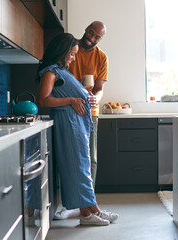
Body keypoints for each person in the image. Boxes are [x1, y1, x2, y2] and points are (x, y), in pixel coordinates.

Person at [36, 33, 118, 226]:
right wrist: (72, 100)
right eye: (72, 54)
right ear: (62, 51)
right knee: (79, 168)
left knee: (80, 167)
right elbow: (43, 100)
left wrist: (85, 96)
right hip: (69, 125)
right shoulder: (50, 72)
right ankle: (91, 212)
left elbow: (69, 92)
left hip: (76, 125)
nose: (73, 58)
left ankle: (88, 212)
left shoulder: (60, 70)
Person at [54, 21, 108, 220]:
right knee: (69, 158)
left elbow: (100, 88)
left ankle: (86, 204)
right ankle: (71, 204)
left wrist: (96, 98)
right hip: (67, 112)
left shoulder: (101, 57)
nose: (91, 38)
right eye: (90, 33)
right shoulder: (69, 49)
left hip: (90, 114)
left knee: (90, 160)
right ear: (85, 29)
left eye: (96, 37)